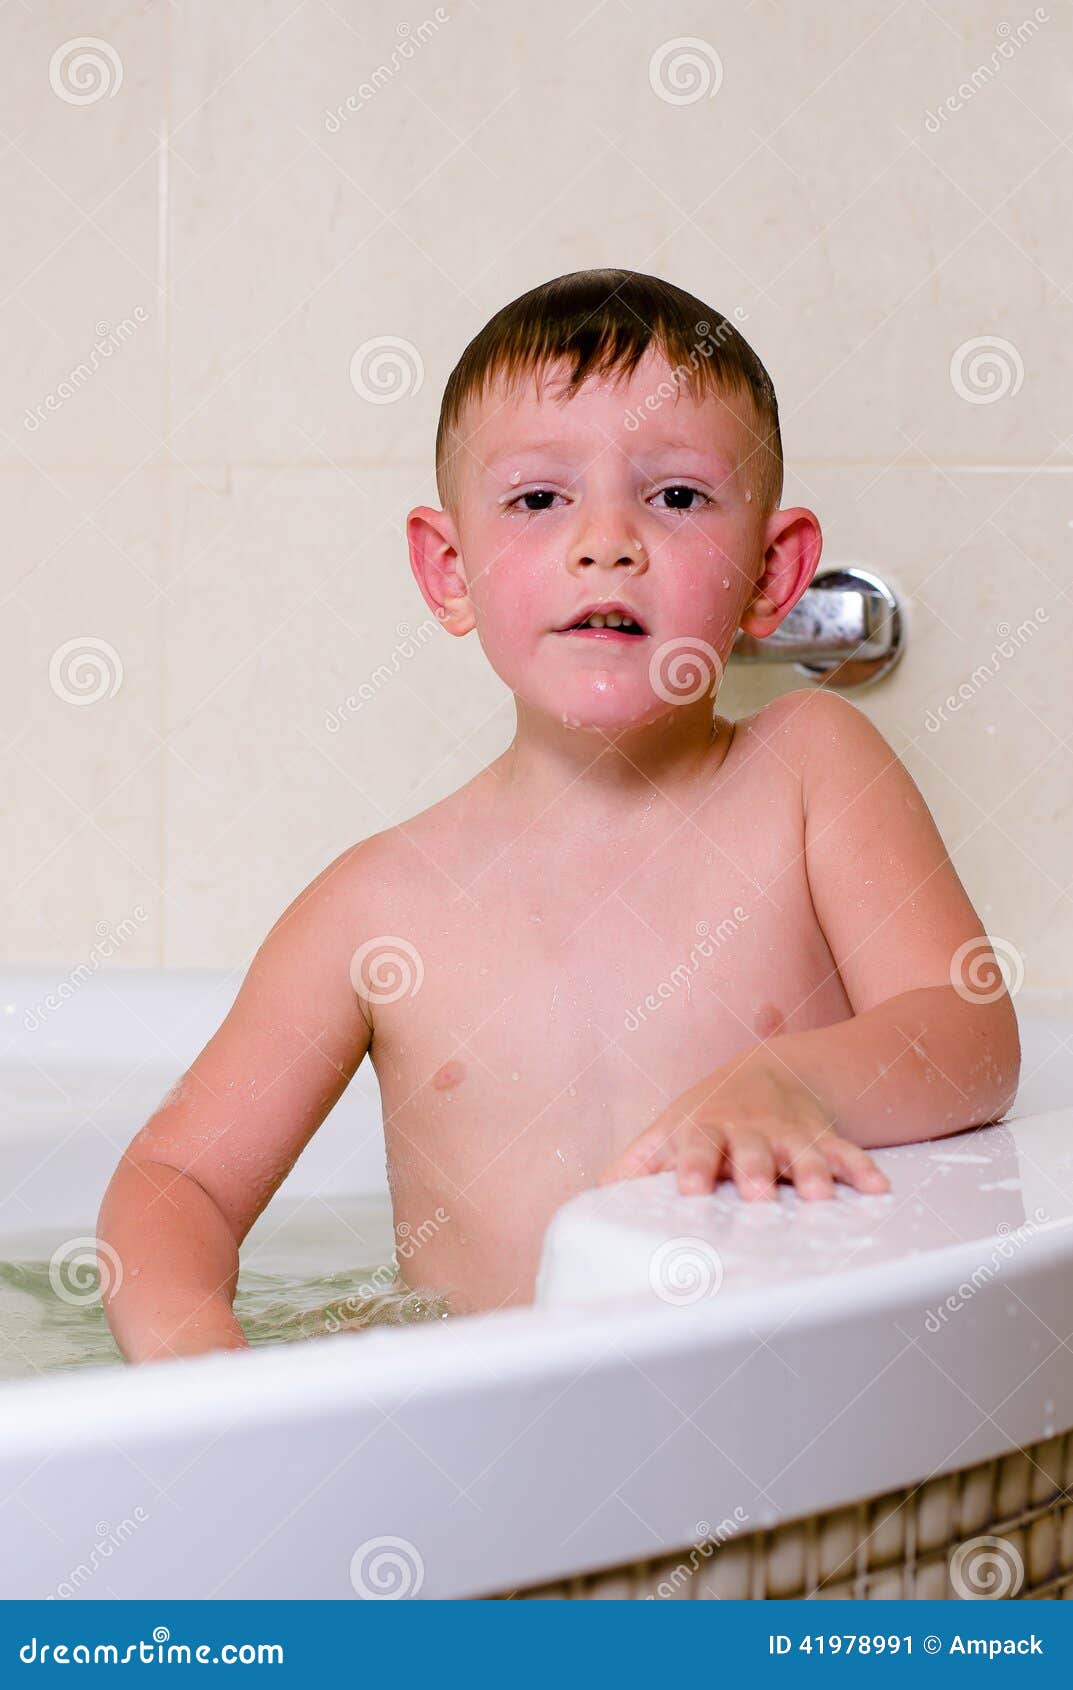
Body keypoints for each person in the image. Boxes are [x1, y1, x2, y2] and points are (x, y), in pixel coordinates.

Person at [97, 268, 1020, 1362]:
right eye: (539, 499)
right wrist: (199, 1359)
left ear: (772, 575)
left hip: (758, 1424)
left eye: (675, 497)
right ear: (449, 570)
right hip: (485, 1455)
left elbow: (970, 1038)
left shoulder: (810, 773)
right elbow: (176, 1179)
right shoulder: (376, 907)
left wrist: (790, 1081)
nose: (606, 541)